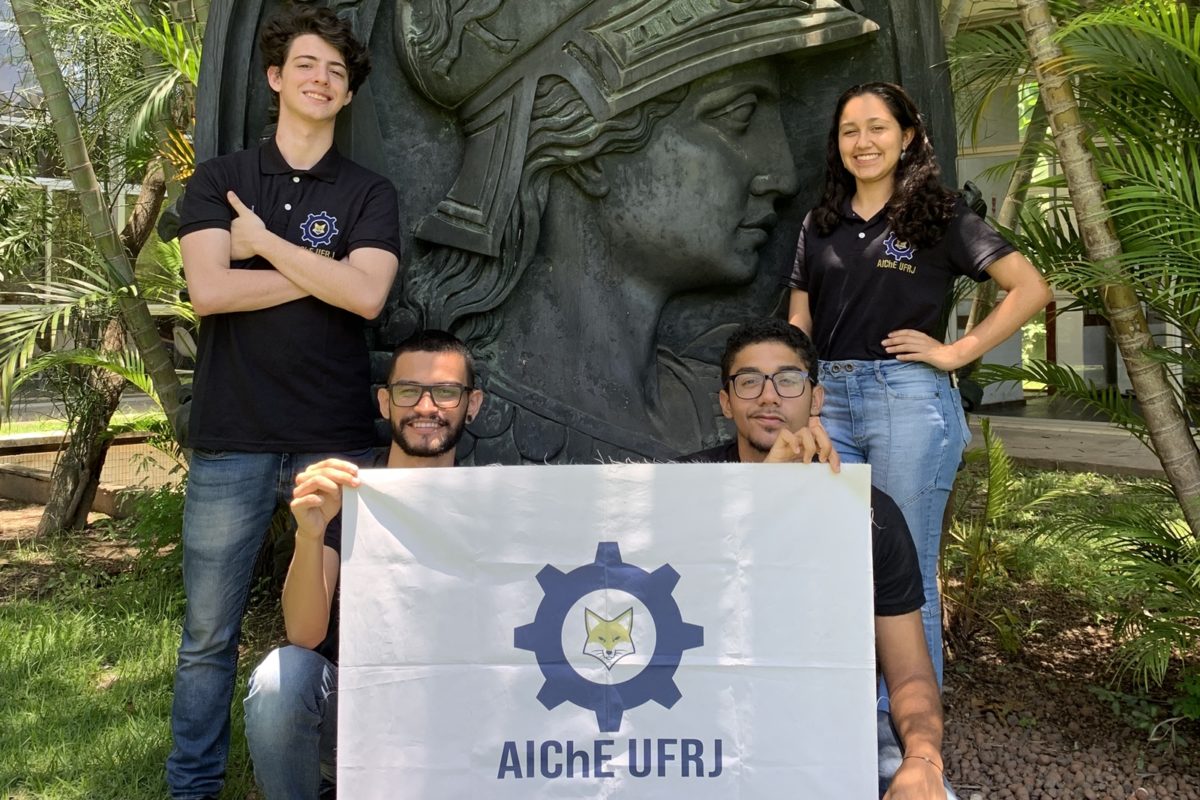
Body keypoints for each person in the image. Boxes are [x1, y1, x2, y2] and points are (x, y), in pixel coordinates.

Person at [392, 0, 879, 462]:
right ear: (589, 151)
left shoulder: (733, 408)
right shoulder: (439, 417)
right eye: (739, 116)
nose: (784, 176)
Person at [166, 7, 402, 797]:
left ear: (346, 94)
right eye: (307, 65)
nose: (321, 79)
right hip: (233, 438)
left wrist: (263, 244)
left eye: (336, 72)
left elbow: (367, 298)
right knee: (207, 635)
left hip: (334, 437)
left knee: (349, 626)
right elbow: (207, 292)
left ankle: (356, 772)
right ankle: (191, 785)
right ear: (276, 78)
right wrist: (321, 268)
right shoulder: (221, 180)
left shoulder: (370, 192)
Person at [785, 82, 1052, 687]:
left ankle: (911, 739)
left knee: (904, 568)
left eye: (877, 127)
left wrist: (957, 351)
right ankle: (849, 716)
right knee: (839, 561)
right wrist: (798, 398)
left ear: (906, 137)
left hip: (906, 400)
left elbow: (1031, 288)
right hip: (828, 402)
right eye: (850, 130)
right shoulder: (819, 224)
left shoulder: (940, 215)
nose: (863, 141)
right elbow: (799, 320)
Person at [681, 318, 956, 800]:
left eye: (788, 380)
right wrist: (764, 496)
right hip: (695, 721)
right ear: (726, 402)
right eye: (749, 381)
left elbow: (909, 672)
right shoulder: (682, 491)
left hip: (828, 726)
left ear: (816, 398)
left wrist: (922, 758)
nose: (769, 396)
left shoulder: (870, 515)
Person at [242, 330, 483, 799]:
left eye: (446, 392)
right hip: (356, 712)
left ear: (471, 404)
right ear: (384, 402)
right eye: (408, 391)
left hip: (458, 719)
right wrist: (310, 534)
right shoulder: (346, 491)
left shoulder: (495, 501)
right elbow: (304, 635)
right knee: (282, 679)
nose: (426, 407)